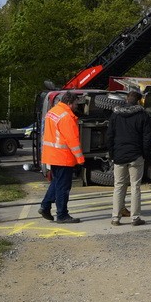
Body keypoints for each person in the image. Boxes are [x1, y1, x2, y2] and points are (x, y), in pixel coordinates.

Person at [106, 90, 151, 226]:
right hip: (136, 154)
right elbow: (147, 137)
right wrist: (145, 154)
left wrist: (112, 154)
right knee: (135, 186)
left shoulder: (115, 115)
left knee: (119, 186)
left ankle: (115, 217)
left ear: (126, 99)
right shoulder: (143, 115)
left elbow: (109, 136)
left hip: (119, 154)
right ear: (138, 101)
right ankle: (135, 217)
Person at [38, 91, 85, 224]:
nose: (77, 106)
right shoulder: (66, 117)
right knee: (63, 187)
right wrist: (80, 159)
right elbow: (72, 140)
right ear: (70, 103)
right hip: (63, 157)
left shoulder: (53, 112)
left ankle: (45, 206)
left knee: (57, 183)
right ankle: (62, 215)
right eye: (76, 103)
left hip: (52, 155)